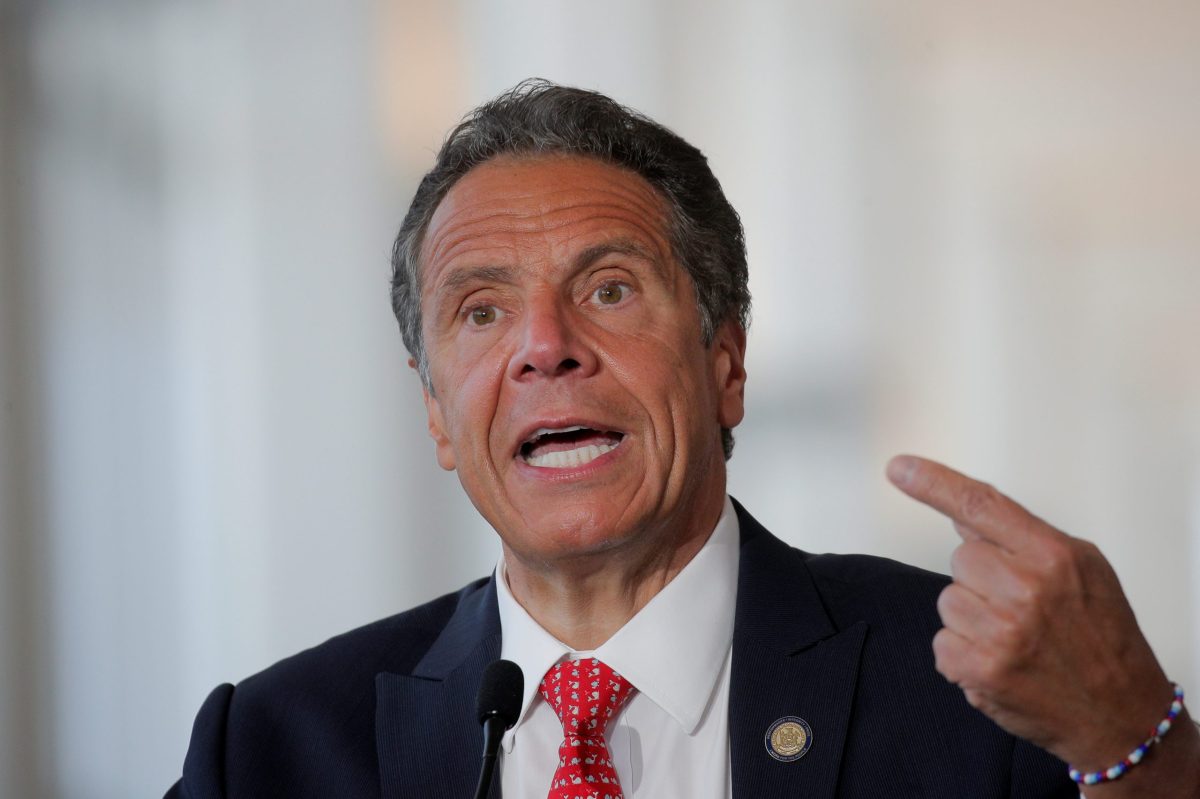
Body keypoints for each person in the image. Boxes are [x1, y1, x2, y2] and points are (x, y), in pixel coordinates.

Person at [167, 80, 1200, 798]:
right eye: (480, 311)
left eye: (609, 290)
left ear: (725, 365)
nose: (545, 347)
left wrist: (1135, 741)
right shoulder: (270, 749)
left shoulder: (975, 690)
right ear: (438, 412)